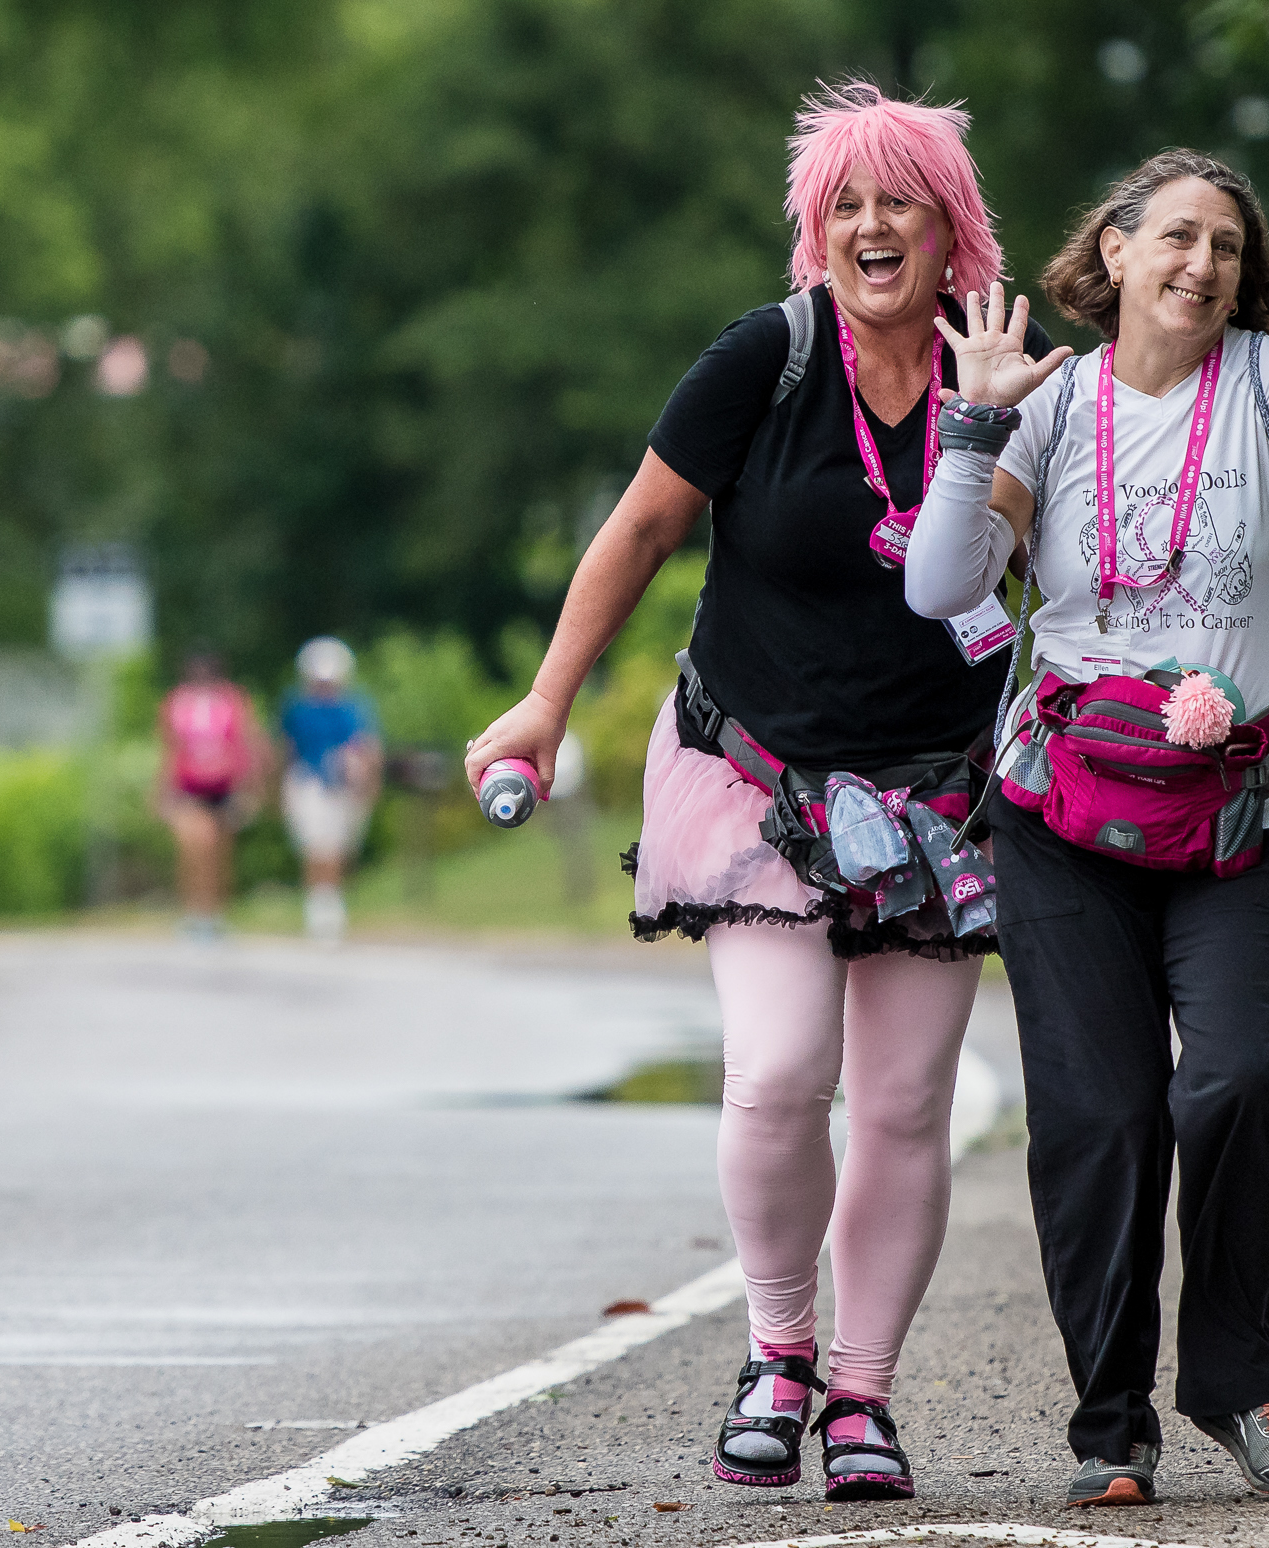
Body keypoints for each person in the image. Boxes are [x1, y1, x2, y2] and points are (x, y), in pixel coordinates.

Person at [464, 84, 1062, 1503]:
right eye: (842, 204)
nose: (869, 227)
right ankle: (777, 1351)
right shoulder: (765, 362)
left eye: (897, 201)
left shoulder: (1020, 381)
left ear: (948, 228)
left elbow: (1051, 580)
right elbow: (639, 530)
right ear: (816, 231)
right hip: (758, 769)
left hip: (936, 791)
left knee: (907, 1103)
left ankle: (862, 1395)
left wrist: (994, 440)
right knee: (782, 1071)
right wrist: (545, 705)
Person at [903, 149, 1269, 1507]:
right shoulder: (1044, 408)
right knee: (1098, 1120)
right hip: (1060, 819)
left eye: (1224, 245)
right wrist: (972, 429)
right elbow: (941, 589)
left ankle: (1237, 1382)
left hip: (1249, 809)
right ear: (1110, 254)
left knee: (1229, 1084)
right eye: (1172, 237)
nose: (1200, 265)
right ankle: (1110, 1424)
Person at [155, 652, 266, 938]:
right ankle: (192, 912)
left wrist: (250, 787)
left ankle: (214, 914)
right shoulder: (176, 703)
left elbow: (247, 744)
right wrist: (161, 791)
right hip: (189, 786)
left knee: (219, 853)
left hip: (224, 786)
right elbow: (169, 749)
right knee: (194, 846)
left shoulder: (233, 701)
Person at [278, 636, 381, 942]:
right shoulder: (298, 707)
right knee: (317, 846)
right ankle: (321, 911)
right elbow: (287, 747)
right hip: (309, 781)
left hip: (344, 786)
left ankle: (330, 905)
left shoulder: (353, 707)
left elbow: (366, 748)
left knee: (337, 847)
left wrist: (367, 782)